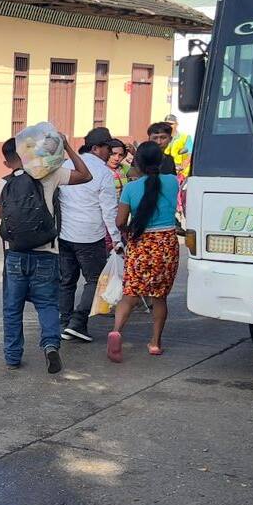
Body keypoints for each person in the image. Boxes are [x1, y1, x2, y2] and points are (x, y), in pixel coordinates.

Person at [0, 134, 92, 373]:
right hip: (47, 254)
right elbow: (86, 175)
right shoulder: (50, 175)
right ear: (28, 153)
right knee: (47, 304)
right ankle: (51, 345)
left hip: (15, 256)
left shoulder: (2, 184)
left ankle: (12, 357)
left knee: (12, 308)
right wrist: (69, 148)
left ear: (7, 162)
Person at [107, 140, 181, 362]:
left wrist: (128, 231)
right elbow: (166, 167)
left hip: (141, 244)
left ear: (136, 162)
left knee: (130, 294)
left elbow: (120, 221)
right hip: (166, 243)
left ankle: (116, 332)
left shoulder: (130, 188)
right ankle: (155, 343)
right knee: (160, 297)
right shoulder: (171, 182)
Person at [58, 127, 123, 343]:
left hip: (65, 234)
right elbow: (109, 210)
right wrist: (116, 240)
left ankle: (64, 323)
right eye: (107, 148)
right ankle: (78, 322)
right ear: (96, 148)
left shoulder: (66, 165)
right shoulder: (104, 173)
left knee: (67, 280)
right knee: (93, 279)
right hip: (90, 236)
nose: (110, 153)